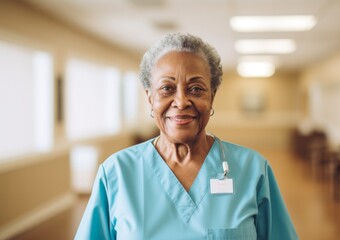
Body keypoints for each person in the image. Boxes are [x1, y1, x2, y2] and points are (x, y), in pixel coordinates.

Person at [75, 33, 298, 240]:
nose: (181, 102)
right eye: (166, 88)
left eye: (195, 89)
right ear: (150, 98)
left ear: (212, 96)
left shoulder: (253, 170)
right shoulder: (116, 173)